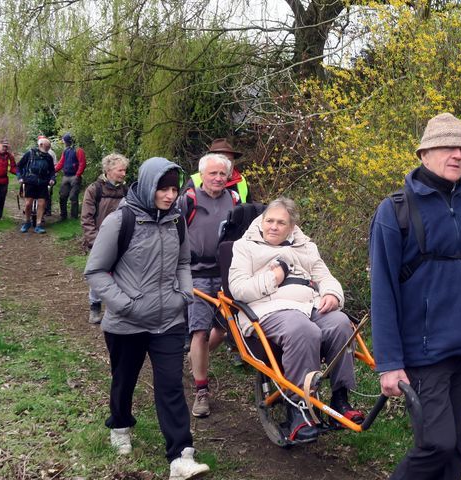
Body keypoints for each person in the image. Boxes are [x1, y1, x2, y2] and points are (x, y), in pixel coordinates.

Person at [368, 112, 461, 480]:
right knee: (436, 443)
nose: (458, 155)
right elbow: (382, 290)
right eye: (448, 147)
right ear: (424, 154)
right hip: (423, 351)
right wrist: (388, 362)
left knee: (458, 445)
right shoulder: (395, 210)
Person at [84, 157, 210, 479]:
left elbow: (184, 263)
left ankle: (181, 455)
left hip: (168, 320)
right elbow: (95, 271)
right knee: (124, 381)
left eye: (173, 189)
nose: (170, 195)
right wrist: (125, 304)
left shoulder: (176, 221)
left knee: (170, 386)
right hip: (127, 322)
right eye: (163, 188)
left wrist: (184, 294)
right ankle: (121, 425)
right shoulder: (121, 220)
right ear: (148, 185)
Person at [228, 197, 364, 443]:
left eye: (281, 223)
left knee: (341, 324)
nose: (273, 226)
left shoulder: (304, 246)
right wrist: (275, 277)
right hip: (268, 309)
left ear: (291, 227)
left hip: (309, 304)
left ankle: (341, 400)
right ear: (261, 221)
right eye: (269, 220)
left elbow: (325, 277)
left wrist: (333, 294)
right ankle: (297, 411)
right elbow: (238, 289)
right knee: (304, 330)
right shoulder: (244, 246)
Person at [178, 152, 240, 418]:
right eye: (212, 173)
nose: (217, 178)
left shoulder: (235, 200)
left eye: (221, 174)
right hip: (197, 274)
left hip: (227, 274)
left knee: (224, 330)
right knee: (200, 332)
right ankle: (201, 390)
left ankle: (195, 358)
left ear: (228, 177)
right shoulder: (187, 201)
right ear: (202, 175)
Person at [81, 153, 129, 324]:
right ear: (108, 170)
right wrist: (94, 241)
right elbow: (86, 218)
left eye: (125, 170)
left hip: (121, 240)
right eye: (120, 170)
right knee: (99, 275)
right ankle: (95, 306)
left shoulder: (126, 190)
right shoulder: (95, 190)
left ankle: (116, 309)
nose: (124, 174)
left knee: (120, 275)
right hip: (99, 241)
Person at [184, 138, 251, 203]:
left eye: (229, 160)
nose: (226, 164)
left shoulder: (241, 180)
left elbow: (249, 209)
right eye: (222, 160)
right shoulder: (195, 180)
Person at [16, 139, 56, 233]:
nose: (49, 148)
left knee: (42, 204)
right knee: (28, 204)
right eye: (47, 146)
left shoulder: (48, 157)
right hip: (30, 181)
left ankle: (38, 225)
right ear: (41, 145)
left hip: (43, 182)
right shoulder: (29, 154)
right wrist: (20, 177)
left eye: (49, 146)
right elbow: (18, 166)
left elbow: (52, 171)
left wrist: (52, 179)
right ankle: (27, 222)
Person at [55, 133, 86, 220]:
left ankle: (73, 217)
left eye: (64, 141)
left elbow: (82, 163)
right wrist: (52, 171)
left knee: (73, 197)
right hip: (66, 176)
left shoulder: (78, 150)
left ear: (68, 141)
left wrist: (78, 175)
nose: (63, 142)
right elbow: (61, 163)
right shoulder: (66, 151)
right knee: (62, 196)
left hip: (75, 176)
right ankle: (63, 216)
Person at [0, 138, 17, 220]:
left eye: (6, 147)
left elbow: (13, 168)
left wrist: (20, 174)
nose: (5, 148)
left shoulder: (9, 156)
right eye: (3, 146)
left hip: (4, 180)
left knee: (2, 197)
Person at [38, 136, 57, 217]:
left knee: (48, 193)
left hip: (48, 176)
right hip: (39, 177)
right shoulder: (34, 152)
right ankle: (42, 211)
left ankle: (47, 210)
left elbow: (55, 165)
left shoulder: (51, 153)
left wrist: (53, 176)